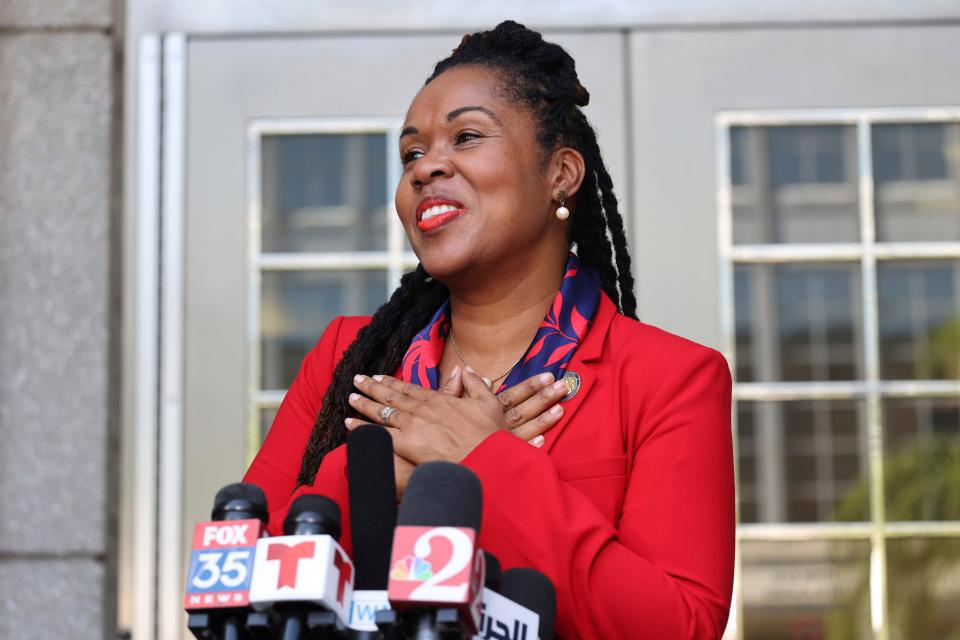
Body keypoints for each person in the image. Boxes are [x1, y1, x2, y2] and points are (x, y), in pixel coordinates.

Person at [244, 21, 734, 638]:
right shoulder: (347, 358)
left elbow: (678, 626)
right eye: (411, 154)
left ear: (561, 173)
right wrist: (372, 473)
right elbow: (239, 582)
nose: (426, 168)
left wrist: (484, 462)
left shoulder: (670, 378)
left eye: (466, 136)